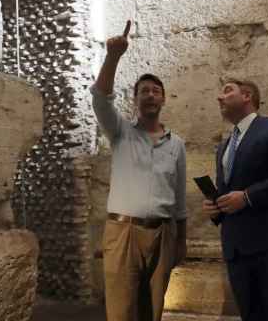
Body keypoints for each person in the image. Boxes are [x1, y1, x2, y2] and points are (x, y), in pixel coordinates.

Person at [93, 20, 187, 321]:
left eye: (155, 90)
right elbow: (99, 98)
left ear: (163, 99)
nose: (150, 94)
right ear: (135, 99)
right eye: (144, 90)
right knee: (121, 312)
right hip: (124, 233)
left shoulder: (177, 145)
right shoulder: (120, 132)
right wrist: (113, 56)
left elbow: (180, 199)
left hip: (163, 233)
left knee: (153, 312)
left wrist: (180, 241)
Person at [202, 78, 268, 321]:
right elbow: (229, 192)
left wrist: (248, 197)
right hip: (236, 246)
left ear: (247, 95)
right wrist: (217, 208)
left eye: (227, 91)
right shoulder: (225, 145)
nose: (219, 97)